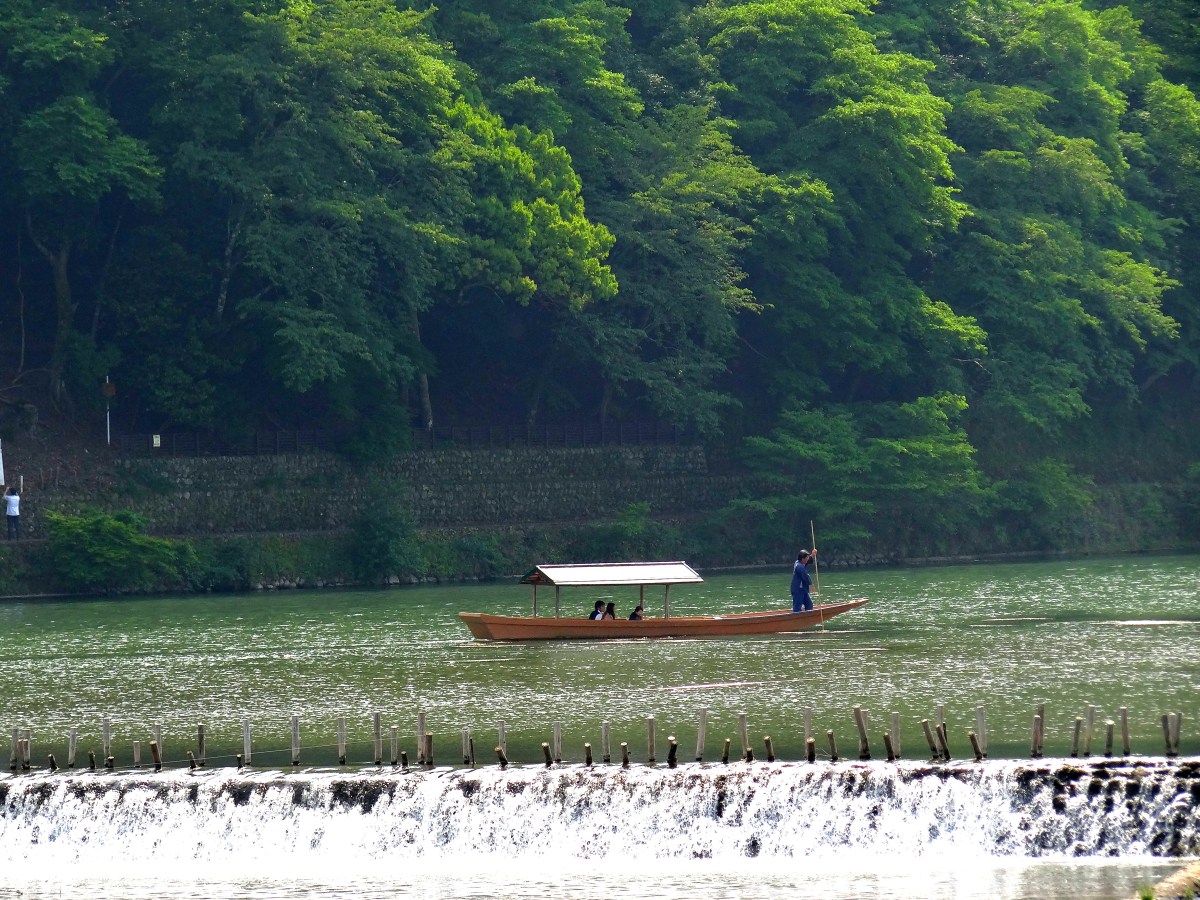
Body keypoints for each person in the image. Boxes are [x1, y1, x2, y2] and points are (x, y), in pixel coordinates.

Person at [790, 548, 816, 612]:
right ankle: (795, 620)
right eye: (806, 558)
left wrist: (813, 555)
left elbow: (808, 560)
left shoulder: (801, 562)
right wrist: (811, 587)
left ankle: (807, 619)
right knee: (797, 608)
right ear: (802, 559)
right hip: (798, 590)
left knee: (809, 605)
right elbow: (806, 577)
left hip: (803, 589)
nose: (808, 559)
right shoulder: (799, 566)